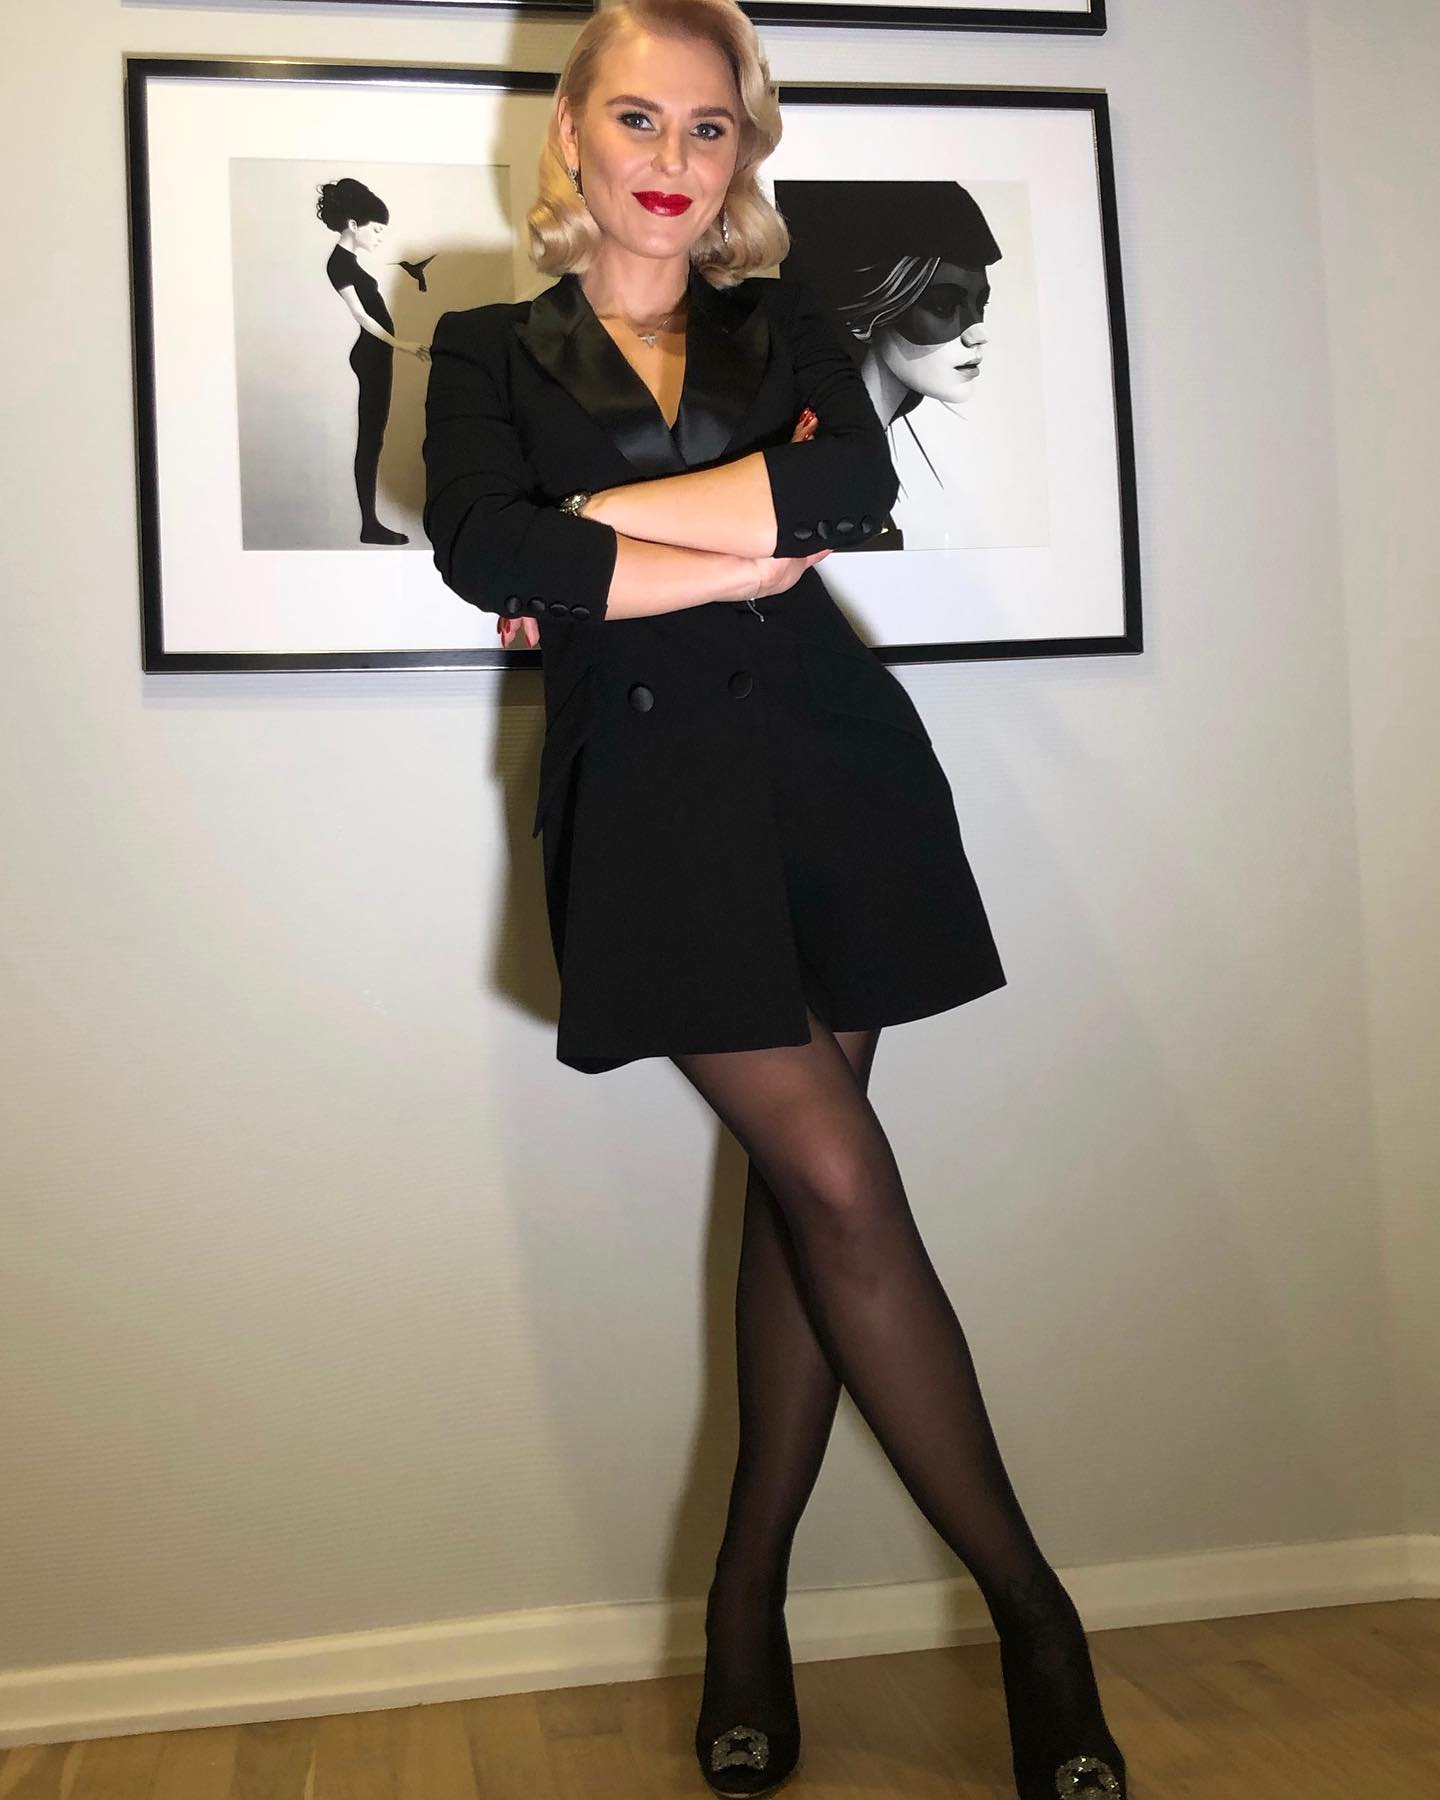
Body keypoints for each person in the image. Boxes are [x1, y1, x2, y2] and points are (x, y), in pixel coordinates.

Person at [421, 3, 1128, 1797]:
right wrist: (728, 553)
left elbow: (848, 483)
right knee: (837, 1182)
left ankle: (748, 1610)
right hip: (651, 816)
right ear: (571, 131)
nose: (673, 160)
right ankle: (1037, 1617)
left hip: (837, 779)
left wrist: (607, 537)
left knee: (808, 1202)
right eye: (638, 120)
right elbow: (485, 547)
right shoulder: (487, 345)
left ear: (744, 150)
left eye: (710, 126)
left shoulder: (783, 315)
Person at [316, 178, 434, 544]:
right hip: (372, 355)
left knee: (375, 438)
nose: (381, 237)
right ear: (354, 224)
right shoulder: (338, 264)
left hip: (377, 354)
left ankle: (370, 522)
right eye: (377, 230)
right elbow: (362, 316)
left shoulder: (349, 261)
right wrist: (401, 344)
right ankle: (369, 524)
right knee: (370, 439)